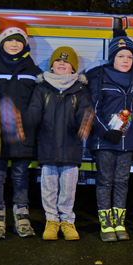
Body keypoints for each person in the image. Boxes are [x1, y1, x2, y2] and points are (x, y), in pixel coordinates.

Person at [25, 46, 93, 241]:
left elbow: (86, 112)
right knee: (48, 187)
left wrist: (85, 121)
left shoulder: (80, 90)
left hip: (71, 149)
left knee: (68, 188)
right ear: (52, 66)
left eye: (67, 61)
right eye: (58, 61)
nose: (62, 63)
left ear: (73, 69)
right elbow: (34, 113)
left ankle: (67, 221)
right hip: (47, 148)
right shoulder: (42, 88)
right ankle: (51, 221)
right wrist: (24, 120)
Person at [0, 19, 42, 240]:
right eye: (10, 40)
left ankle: (22, 218)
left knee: (20, 176)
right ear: (2, 43)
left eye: (19, 41)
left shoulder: (34, 71)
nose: (14, 44)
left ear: (25, 45)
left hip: (22, 135)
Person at [85, 32, 133, 242]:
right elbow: (91, 110)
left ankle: (119, 222)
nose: (125, 60)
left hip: (127, 142)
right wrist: (105, 132)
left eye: (129, 57)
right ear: (112, 58)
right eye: (120, 56)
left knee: (122, 181)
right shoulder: (99, 79)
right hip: (105, 141)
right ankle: (106, 224)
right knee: (105, 181)